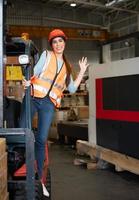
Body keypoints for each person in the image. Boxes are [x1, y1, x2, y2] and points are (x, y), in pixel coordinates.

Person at [20, 29, 89, 196]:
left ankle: (39, 179)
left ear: (65, 43)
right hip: (33, 97)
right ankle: (20, 164)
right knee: (23, 131)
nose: (58, 44)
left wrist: (81, 71)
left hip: (48, 104)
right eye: (55, 42)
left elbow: (71, 89)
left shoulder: (67, 66)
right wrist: (25, 81)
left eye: (61, 41)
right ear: (52, 45)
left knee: (42, 139)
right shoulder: (46, 55)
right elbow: (34, 72)